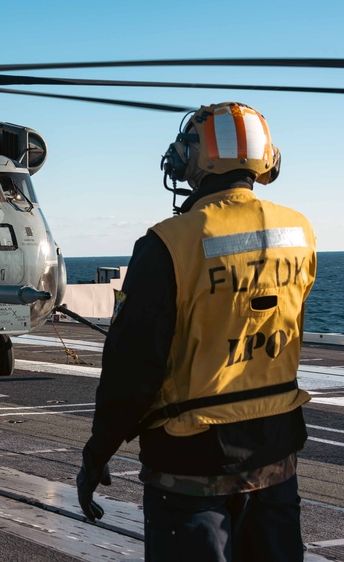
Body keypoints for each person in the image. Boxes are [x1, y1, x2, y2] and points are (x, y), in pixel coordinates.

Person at [76, 102, 316, 562]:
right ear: (268, 159)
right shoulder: (301, 232)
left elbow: (133, 368)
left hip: (190, 463)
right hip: (275, 454)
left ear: (195, 160)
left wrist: (98, 451)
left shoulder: (168, 243)